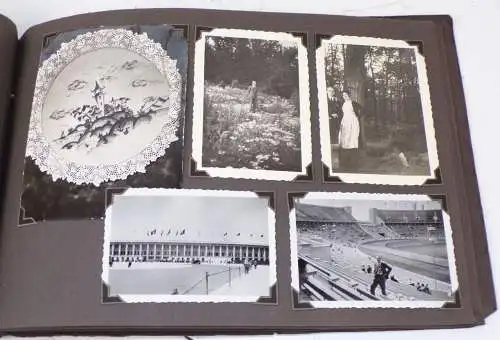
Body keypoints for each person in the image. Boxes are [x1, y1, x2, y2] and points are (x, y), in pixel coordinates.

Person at [338, 91, 360, 171]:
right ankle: (345, 163)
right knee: (345, 141)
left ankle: (353, 164)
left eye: (346, 95)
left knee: (352, 141)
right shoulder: (342, 104)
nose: (345, 96)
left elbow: (361, 111)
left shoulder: (353, 103)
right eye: (343, 95)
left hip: (352, 123)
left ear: (349, 95)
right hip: (345, 122)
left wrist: (356, 117)